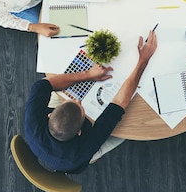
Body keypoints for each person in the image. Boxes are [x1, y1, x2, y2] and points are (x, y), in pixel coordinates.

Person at [24, 31, 158, 174]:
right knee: (125, 133)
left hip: (42, 145)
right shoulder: (84, 149)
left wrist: (87, 75)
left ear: (50, 115)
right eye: (81, 106)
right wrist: (143, 61)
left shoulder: (33, 120)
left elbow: (45, 84)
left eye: (72, 102)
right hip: (72, 163)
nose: (77, 100)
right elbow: (119, 103)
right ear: (80, 132)